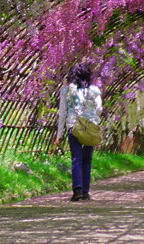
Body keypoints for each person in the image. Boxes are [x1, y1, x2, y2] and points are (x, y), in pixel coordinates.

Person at [56, 62, 103, 201]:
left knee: (76, 159)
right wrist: (93, 117)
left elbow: (62, 113)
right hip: (91, 127)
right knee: (87, 159)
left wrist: (59, 135)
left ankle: (78, 190)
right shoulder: (94, 90)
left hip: (74, 126)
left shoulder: (66, 90)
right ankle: (86, 191)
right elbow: (99, 108)